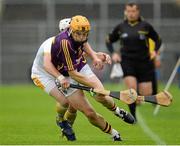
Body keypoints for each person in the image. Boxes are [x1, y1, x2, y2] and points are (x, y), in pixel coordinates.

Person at [31, 15, 136, 142]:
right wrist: (60, 77)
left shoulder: (79, 36)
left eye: (84, 34)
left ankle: (118, 111)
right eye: (79, 34)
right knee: (79, 108)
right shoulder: (60, 42)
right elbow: (49, 65)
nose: (82, 37)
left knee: (100, 95)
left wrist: (95, 56)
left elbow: (81, 47)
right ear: (68, 31)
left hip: (72, 68)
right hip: (46, 73)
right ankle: (63, 121)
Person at [106, 2, 162, 121]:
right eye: (128, 11)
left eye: (133, 11)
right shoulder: (120, 27)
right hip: (127, 61)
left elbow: (158, 39)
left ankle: (134, 102)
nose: (131, 14)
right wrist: (114, 53)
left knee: (146, 93)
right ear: (125, 12)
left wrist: (155, 51)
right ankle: (133, 117)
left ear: (138, 12)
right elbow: (108, 40)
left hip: (144, 62)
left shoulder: (145, 26)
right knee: (131, 89)